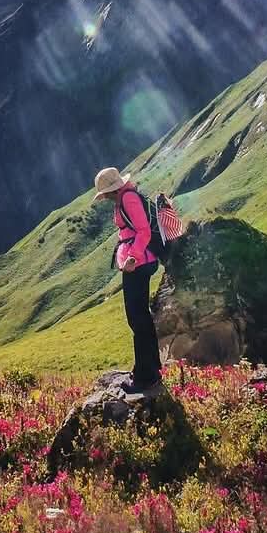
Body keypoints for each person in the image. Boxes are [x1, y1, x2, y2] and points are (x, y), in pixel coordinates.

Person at [94, 166, 164, 392]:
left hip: (139, 264)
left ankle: (146, 376)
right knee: (140, 316)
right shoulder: (125, 197)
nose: (103, 198)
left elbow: (143, 231)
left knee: (137, 317)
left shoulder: (128, 199)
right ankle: (150, 367)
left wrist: (132, 258)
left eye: (104, 194)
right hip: (138, 263)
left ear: (110, 191)